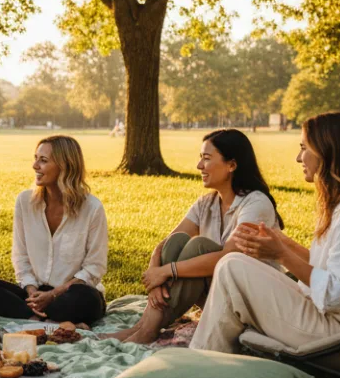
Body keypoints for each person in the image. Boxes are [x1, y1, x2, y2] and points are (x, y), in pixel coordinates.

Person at [189, 112, 340, 354]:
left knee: (231, 266)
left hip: (337, 332)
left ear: (327, 151)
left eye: (304, 148)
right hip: (329, 317)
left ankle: (202, 355)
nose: (298, 157)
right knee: (234, 264)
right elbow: (329, 271)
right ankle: (211, 349)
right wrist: (284, 242)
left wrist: (281, 254)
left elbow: (338, 293)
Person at [99, 128, 281, 344]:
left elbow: (229, 256)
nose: (199, 166)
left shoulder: (256, 203)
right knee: (176, 243)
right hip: (219, 295)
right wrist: (155, 277)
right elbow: (165, 245)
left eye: (206, 158)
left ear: (231, 165)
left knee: (200, 247)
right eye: (200, 158)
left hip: (252, 300)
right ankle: (143, 327)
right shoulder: (207, 204)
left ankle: (148, 329)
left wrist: (166, 271)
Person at [0, 136, 108, 324]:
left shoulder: (92, 208)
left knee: (87, 299)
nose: (35, 165)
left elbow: (94, 267)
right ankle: (40, 316)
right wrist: (31, 291)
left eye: (43, 160)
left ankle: (36, 315)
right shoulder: (25, 202)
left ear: (65, 166)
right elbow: (21, 257)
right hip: (36, 292)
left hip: (72, 293)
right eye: (35, 158)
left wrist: (53, 295)